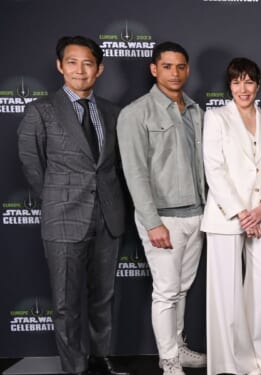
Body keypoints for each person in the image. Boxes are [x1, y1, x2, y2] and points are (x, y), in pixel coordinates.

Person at [17, 35, 130, 375]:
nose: (80, 70)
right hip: (63, 216)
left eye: (88, 63)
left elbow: (118, 165)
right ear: (59, 66)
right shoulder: (41, 111)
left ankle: (100, 357)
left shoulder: (112, 111)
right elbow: (31, 163)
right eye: (72, 62)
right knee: (67, 303)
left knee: (103, 298)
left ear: (99, 69)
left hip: (108, 217)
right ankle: (75, 367)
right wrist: (57, 197)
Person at [117, 41, 207, 375]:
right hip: (163, 218)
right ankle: (168, 360)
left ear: (187, 70)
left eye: (180, 66)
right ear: (154, 70)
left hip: (196, 214)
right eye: (167, 66)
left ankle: (178, 348)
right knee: (166, 292)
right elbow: (135, 173)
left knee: (182, 289)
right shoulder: (135, 113)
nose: (175, 73)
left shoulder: (196, 111)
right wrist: (152, 222)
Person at [201, 57, 261, 375]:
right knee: (226, 293)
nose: (243, 88)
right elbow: (213, 168)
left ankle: (260, 360)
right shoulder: (216, 117)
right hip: (226, 216)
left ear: (257, 85)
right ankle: (228, 364)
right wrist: (241, 212)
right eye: (236, 82)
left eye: (249, 82)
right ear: (229, 86)